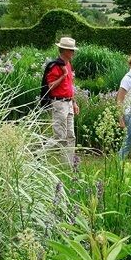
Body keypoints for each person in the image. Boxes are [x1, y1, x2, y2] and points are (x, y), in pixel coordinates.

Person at [45, 36, 80, 165]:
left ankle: (69, 164)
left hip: (69, 103)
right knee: (59, 136)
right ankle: (38, 155)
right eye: (71, 50)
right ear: (64, 50)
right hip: (59, 103)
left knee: (71, 135)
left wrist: (74, 102)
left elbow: (70, 86)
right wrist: (63, 75)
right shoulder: (55, 66)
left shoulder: (68, 64)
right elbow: (51, 86)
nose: (73, 52)